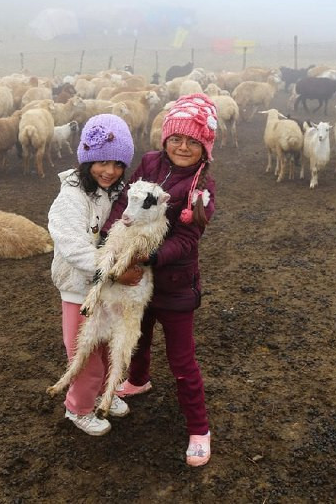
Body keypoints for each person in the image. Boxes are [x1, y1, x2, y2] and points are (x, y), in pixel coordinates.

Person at [103, 93, 218, 466]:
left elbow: (187, 239)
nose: (182, 147)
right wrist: (109, 235)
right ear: (165, 138)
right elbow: (125, 203)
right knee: (137, 334)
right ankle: (139, 379)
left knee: (182, 361)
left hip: (174, 283)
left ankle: (199, 428)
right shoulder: (150, 162)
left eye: (192, 141)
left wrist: (150, 258)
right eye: (176, 138)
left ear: (205, 147)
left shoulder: (201, 188)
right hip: (137, 279)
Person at [47, 114, 142, 436]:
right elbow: (73, 248)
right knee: (85, 353)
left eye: (117, 164)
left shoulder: (116, 192)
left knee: (105, 346)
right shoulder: (70, 199)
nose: (110, 171)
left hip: (106, 289)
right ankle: (78, 408)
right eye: (101, 162)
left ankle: (101, 394)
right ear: (86, 160)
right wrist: (115, 272)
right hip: (79, 291)